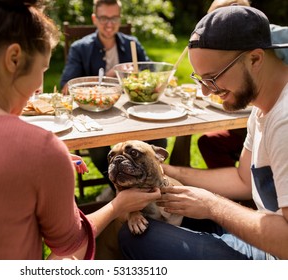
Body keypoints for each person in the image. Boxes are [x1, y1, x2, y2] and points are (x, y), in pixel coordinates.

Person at [0, 0, 161, 260]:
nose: (38, 87)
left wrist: (38, 161)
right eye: (42, 70)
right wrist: (118, 206)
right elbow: (71, 247)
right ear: (14, 59)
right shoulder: (41, 149)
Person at [118, 5, 288, 260]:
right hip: (266, 239)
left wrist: (212, 206)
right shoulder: (262, 107)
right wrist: (171, 172)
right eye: (200, 80)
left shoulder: (284, 121)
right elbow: (243, 180)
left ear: (255, 59)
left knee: (133, 237)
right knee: (153, 221)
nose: (207, 92)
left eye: (213, 78)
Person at [60, 0, 166, 197]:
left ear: (120, 18)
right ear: (94, 18)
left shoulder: (131, 44)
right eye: (103, 18)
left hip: (132, 114)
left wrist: (156, 80)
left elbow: (150, 73)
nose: (109, 23)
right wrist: (108, 78)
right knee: (98, 148)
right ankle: (118, 188)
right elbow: (66, 88)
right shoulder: (80, 48)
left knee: (159, 137)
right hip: (97, 119)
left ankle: (151, 190)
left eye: (114, 18)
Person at [198, 0, 288, 169]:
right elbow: (244, 182)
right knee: (209, 141)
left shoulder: (274, 39)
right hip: (255, 126)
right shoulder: (258, 110)